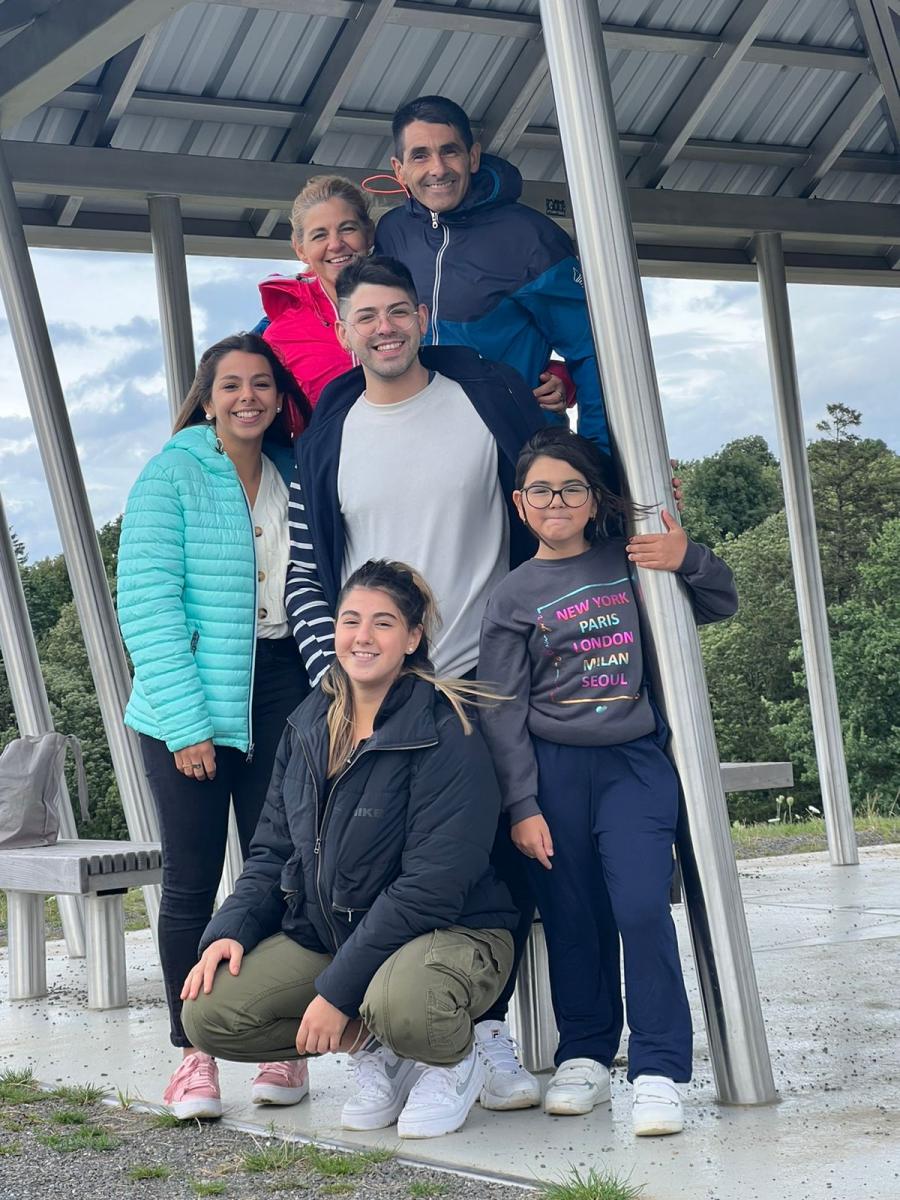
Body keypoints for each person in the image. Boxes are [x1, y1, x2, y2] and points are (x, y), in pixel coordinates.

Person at [285, 253, 548, 1112]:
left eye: (399, 311)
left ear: (423, 316)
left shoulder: (484, 396)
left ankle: (483, 1032)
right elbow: (312, 560)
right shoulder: (333, 425)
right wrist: (336, 667)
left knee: (499, 861)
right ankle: (395, 1036)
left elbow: (556, 482)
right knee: (388, 865)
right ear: (343, 327)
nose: (385, 327)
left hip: (481, 674)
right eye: (366, 316)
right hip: (375, 685)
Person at [180, 560, 518, 1140]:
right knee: (211, 1013)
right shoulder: (308, 723)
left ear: (412, 639)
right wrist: (230, 929)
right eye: (350, 620)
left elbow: (430, 889)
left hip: (452, 932)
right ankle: (379, 1049)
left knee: (405, 1004)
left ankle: (452, 1060)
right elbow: (270, 850)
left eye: (383, 623)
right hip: (335, 933)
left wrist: (337, 992)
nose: (363, 637)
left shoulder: (448, 729)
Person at [477, 427, 739, 1137]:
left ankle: (657, 1069)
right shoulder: (510, 596)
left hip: (633, 766)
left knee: (640, 908)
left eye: (571, 487)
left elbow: (720, 604)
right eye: (541, 490)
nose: (556, 500)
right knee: (571, 917)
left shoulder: (633, 564)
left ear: (593, 500)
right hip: (554, 775)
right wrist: (522, 805)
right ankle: (586, 1054)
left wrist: (689, 558)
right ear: (520, 503)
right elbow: (502, 713)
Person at [117, 332, 312, 1120]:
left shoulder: (294, 471)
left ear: (278, 394)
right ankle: (192, 1054)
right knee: (194, 882)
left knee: (281, 873)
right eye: (230, 384)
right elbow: (149, 608)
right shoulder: (172, 473)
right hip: (186, 697)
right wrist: (190, 724)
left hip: (281, 687)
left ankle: (275, 1041)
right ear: (206, 395)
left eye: (261, 384)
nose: (247, 398)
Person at [376, 94, 610, 458]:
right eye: (420, 155)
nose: (438, 168)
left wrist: (600, 459)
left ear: (473, 157)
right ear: (399, 168)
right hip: (417, 451)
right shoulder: (391, 233)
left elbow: (593, 352)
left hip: (514, 455)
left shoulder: (532, 238)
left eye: (450, 151)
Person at [258, 174, 570, 413]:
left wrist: (555, 376)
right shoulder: (281, 333)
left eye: (347, 228)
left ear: (369, 233)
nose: (336, 244)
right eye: (319, 235)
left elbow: (481, 343)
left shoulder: (416, 289)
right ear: (300, 248)